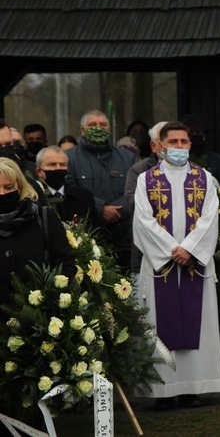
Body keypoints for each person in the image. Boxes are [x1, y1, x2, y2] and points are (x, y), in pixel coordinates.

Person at [133, 121, 220, 410]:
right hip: (161, 267)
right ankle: (163, 391)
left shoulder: (205, 178)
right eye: (173, 142)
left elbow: (211, 220)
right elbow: (143, 222)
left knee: (197, 325)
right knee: (160, 326)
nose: (180, 147)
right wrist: (172, 251)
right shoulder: (145, 180)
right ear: (160, 146)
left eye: (184, 142)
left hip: (193, 267)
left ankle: (193, 388)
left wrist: (189, 250)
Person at [0, 157, 75, 315]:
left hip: (41, 318)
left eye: (8, 187)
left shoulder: (43, 218)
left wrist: (50, 300)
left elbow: (65, 263)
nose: (2, 193)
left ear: (20, 187)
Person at [66, 110, 137, 270]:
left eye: (102, 124)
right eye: (93, 125)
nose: (98, 128)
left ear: (109, 129)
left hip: (123, 237)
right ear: (82, 130)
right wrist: (100, 209)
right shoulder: (69, 158)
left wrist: (117, 211)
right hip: (86, 238)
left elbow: (136, 189)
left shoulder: (127, 158)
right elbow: (69, 189)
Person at [124, 121, 168, 274]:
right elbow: (133, 204)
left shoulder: (197, 173)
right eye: (164, 141)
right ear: (154, 146)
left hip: (186, 253)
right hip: (147, 253)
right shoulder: (139, 171)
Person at [35, 145, 101, 230]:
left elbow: (98, 229)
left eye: (62, 164)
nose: (58, 168)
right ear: (39, 171)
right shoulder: (34, 199)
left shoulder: (84, 196)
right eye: (52, 165)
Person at [180, 114, 220, 188]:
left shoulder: (216, 160)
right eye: (192, 134)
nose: (195, 136)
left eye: (198, 133)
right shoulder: (180, 159)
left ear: (204, 136)